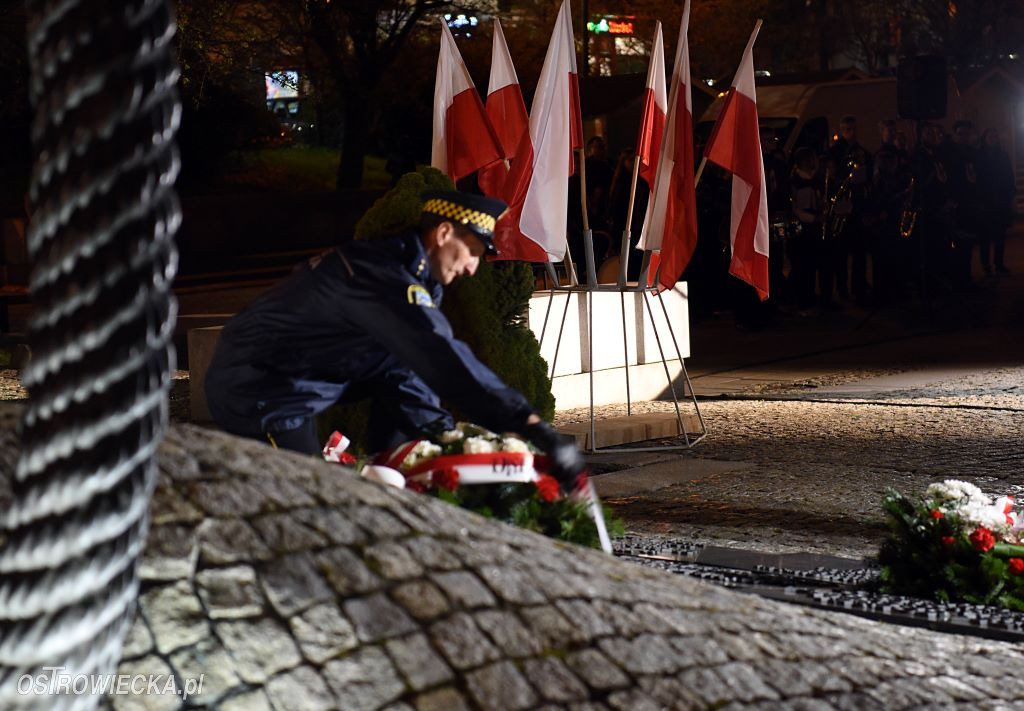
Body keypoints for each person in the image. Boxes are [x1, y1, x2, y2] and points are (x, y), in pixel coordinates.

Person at [205, 190, 585, 490]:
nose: (472, 267)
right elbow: (442, 357)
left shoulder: (413, 275)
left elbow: (403, 370)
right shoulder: (383, 276)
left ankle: (391, 490)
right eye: (472, 250)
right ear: (444, 233)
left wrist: (442, 440)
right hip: (262, 389)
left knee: (402, 440)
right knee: (306, 502)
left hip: (302, 375)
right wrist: (528, 423)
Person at [977, 128, 1014, 275]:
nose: (993, 138)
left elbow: (1009, 177)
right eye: (990, 136)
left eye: (995, 136)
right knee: (984, 237)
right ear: (985, 138)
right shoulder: (979, 156)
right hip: (985, 201)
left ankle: (999, 264)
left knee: (1000, 236)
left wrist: (1009, 196)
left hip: (1001, 201)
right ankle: (986, 265)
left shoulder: (1003, 156)